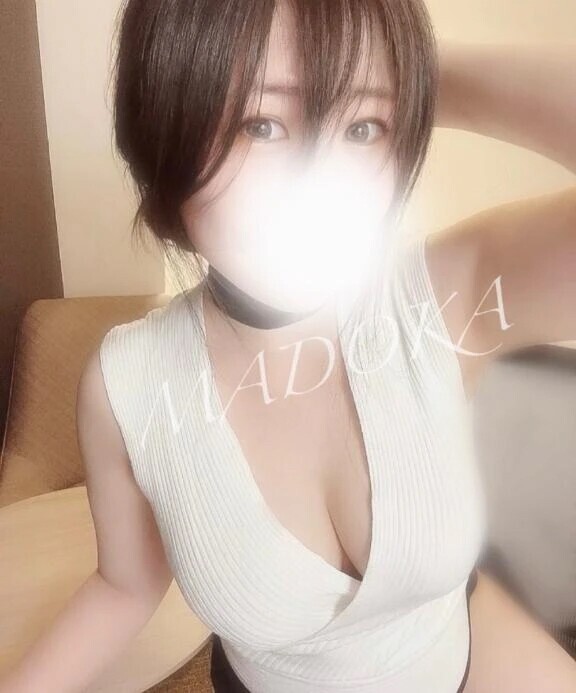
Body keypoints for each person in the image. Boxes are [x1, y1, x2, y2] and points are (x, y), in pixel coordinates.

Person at [1, 1, 575, 691]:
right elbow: (125, 585)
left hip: (473, 661)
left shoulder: (451, 298)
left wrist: (412, 71)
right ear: (167, 122)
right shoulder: (129, 383)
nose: (320, 178)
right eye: (262, 123)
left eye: (363, 127)